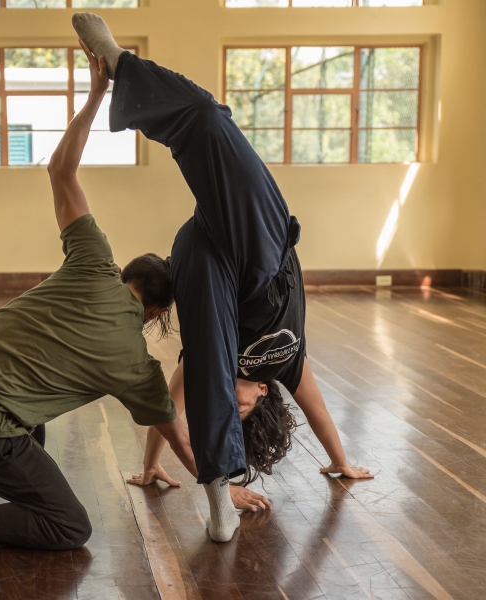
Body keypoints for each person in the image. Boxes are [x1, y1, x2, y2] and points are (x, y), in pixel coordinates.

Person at [0, 40, 198, 563]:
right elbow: (178, 436)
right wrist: (221, 489)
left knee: (33, 426)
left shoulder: (93, 260)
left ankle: (15, 487)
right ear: (158, 312)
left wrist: (96, 95)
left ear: (123, 274)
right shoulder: (136, 368)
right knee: (68, 525)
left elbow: (60, 171)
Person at [72, 13, 373, 543]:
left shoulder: (206, 365)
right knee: (210, 122)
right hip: (264, 256)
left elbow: (165, 409)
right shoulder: (288, 365)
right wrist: (341, 463)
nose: (237, 403)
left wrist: (150, 467)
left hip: (204, 265)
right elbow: (323, 417)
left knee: (206, 345)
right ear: (263, 391)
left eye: (230, 410)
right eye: (246, 406)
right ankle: (124, 66)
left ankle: (216, 487)